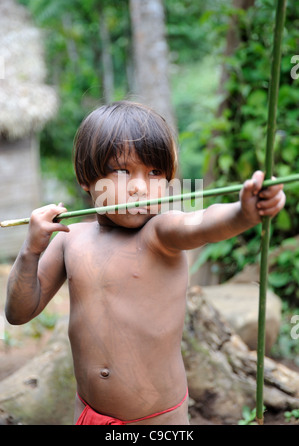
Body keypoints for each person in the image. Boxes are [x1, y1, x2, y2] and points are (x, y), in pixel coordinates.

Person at [5, 101, 286, 425]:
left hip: (158, 421)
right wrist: (30, 250)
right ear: (86, 178)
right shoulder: (70, 238)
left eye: (154, 172)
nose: (140, 187)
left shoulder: (161, 233)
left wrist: (244, 211)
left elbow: (206, 221)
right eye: (123, 171)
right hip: (89, 413)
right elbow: (18, 312)